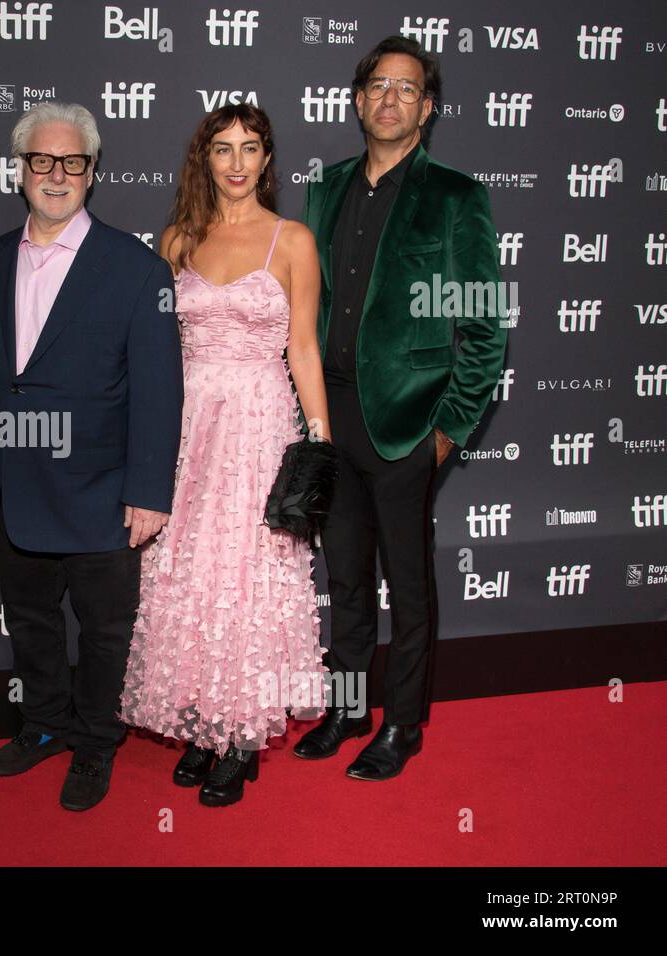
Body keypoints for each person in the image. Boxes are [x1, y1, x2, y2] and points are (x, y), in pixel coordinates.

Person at [295, 36, 507, 779]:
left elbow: (484, 327)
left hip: (408, 425)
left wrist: (447, 430)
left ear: (428, 107)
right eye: (378, 85)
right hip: (332, 416)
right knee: (345, 577)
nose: (390, 98)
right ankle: (349, 708)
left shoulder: (455, 195)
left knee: (409, 587)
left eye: (406, 87)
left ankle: (404, 725)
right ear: (357, 102)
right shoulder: (325, 187)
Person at [119, 104, 332, 806]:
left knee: (249, 573)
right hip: (190, 427)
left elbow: (301, 346)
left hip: (258, 423)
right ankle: (206, 724)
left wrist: (320, 440)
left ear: (267, 160)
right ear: (203, 159)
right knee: (192, 572)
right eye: (222, 149)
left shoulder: (292, 240)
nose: (236, 163)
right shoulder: (177, 239)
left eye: (249, 149)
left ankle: (241, 737)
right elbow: (158, 352)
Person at [0, 102, 184, 812]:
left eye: (72, 162)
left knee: (103, 632)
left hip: (101, 491)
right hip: (12, 484)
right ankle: (42, 727)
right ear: (20, 169)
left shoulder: (137, 268)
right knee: (30, 623)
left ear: (93, 172)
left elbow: (160, 391)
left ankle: (96, 744)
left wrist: (150, 490)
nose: (55, 175)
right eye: (41, 160)